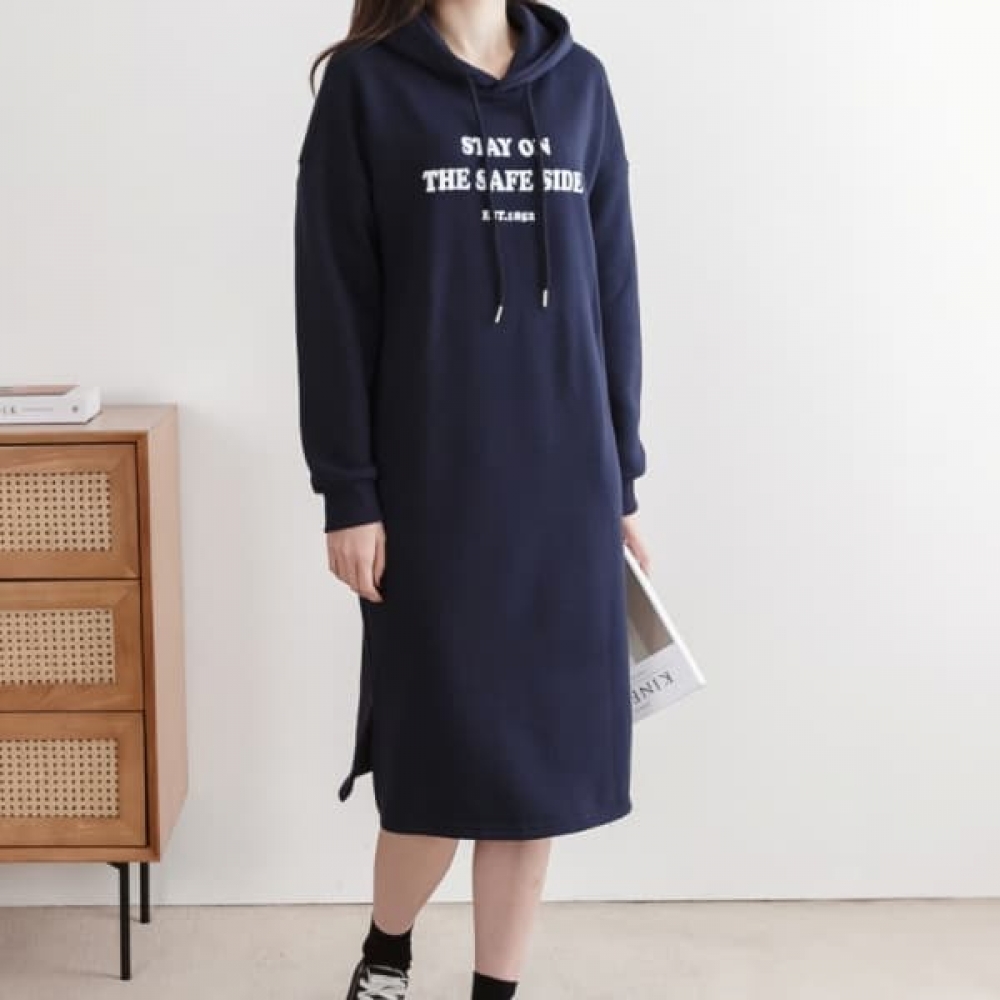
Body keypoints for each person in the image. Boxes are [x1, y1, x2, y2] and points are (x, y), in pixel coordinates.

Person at [293, 1, 650, 997]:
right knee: (434, 765)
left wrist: (620, 477)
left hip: (564, 489)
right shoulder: (366, 87)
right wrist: (348, 490)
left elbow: (613, 289)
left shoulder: (579, 85)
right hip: (430, 489)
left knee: (536, 777)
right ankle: (386, 952)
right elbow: (333, 300)